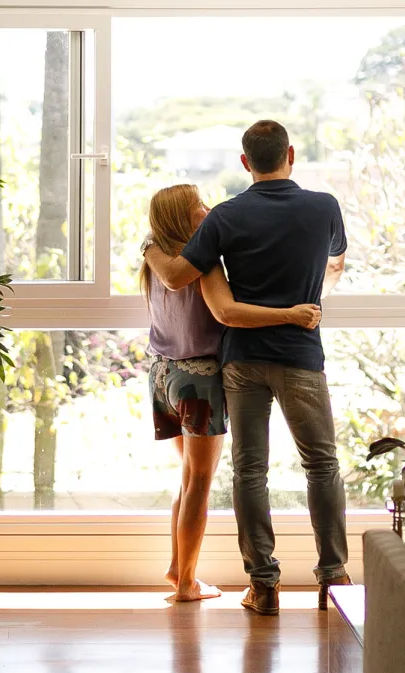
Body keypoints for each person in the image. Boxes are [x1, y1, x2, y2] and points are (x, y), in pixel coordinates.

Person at [144, 121, 351, 615]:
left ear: (244, 162)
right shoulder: (324, 207)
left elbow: (178, 276)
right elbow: (336, 263)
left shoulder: (225, 217)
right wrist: (307, 292)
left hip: (241, 362)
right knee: (321, 465)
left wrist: (149, 247)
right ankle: (334, 577)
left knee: (248, 473)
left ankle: (263, 585)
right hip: (300, 355)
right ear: (291, 154)